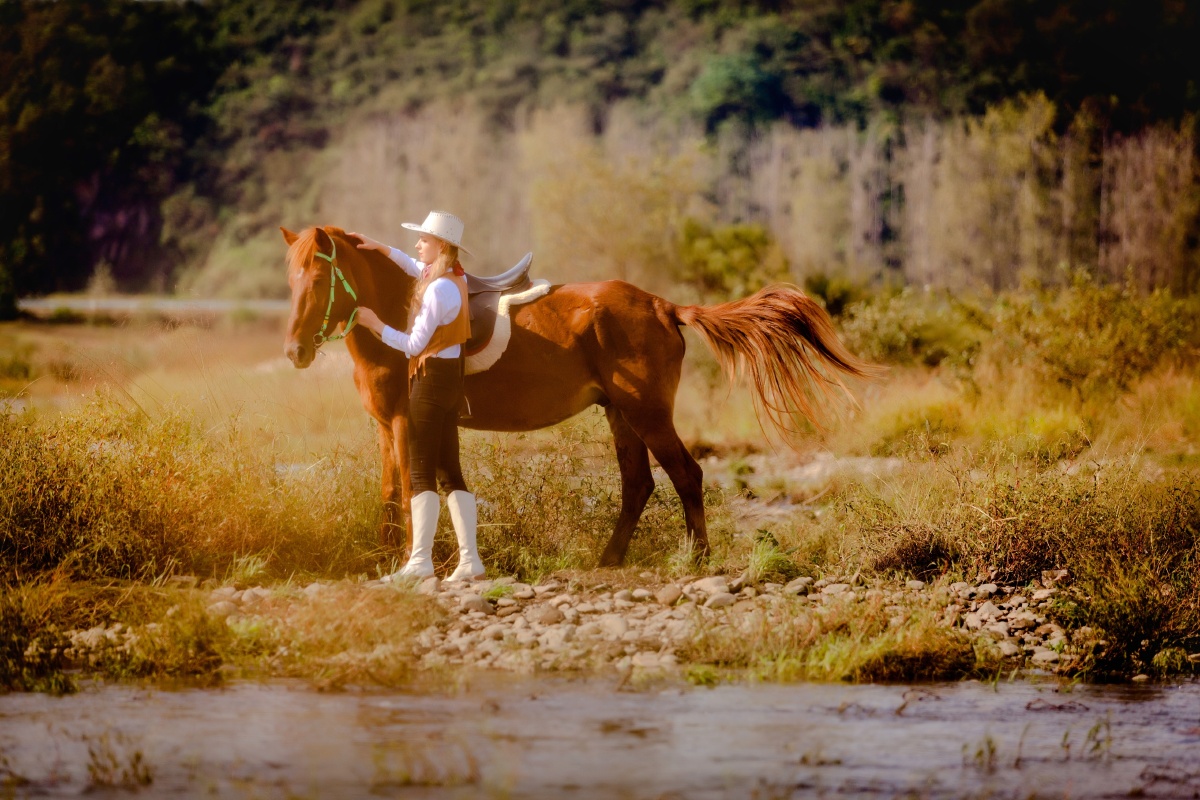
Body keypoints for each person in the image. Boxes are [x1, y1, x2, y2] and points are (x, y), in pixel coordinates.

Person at [350, 211, 484, 582]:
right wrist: (380, 248)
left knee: (422, 472)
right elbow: (411, 264)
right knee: (450, 472)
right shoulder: (451, 277)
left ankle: (420, 563)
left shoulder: (437, 290)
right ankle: (470, 561)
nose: (417, 245)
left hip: (428, 381)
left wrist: (374, 324)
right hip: (449, 379)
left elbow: (412, 344)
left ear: (440, 245)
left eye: (423, 240)